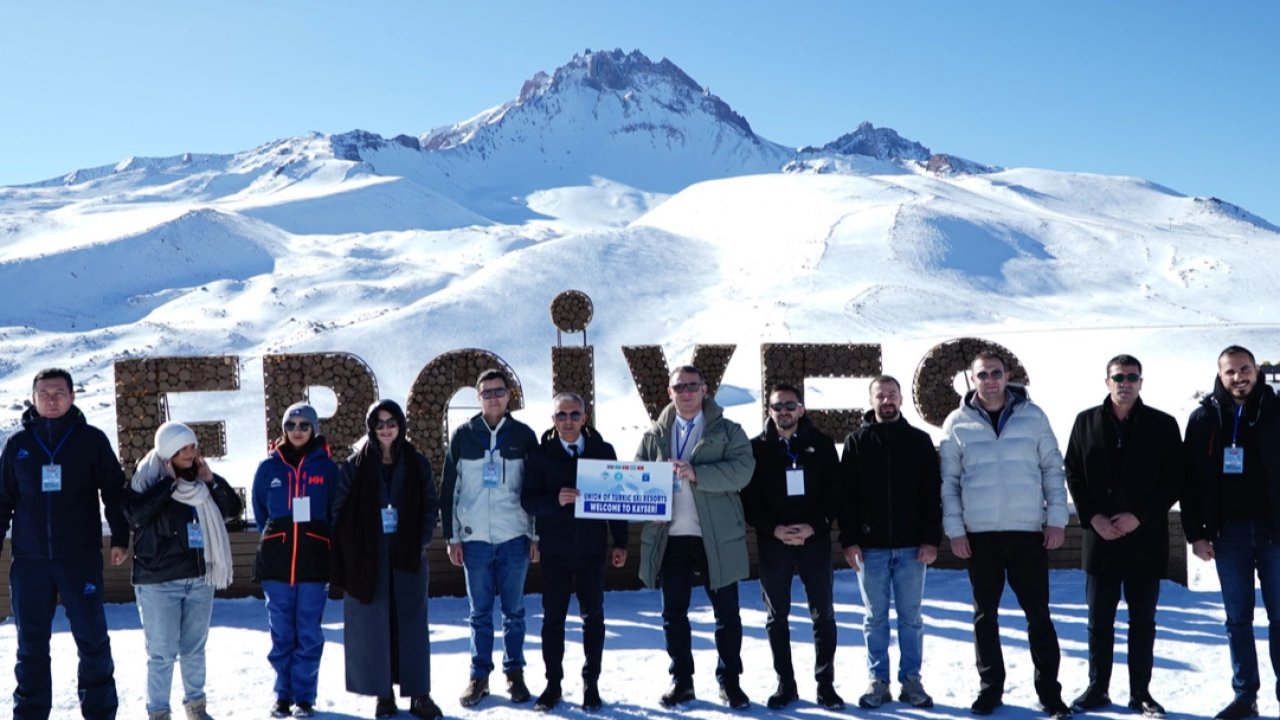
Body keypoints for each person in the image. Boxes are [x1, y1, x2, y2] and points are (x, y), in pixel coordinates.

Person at [940, 351, 1072, 719]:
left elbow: (1052, 471)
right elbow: (949, 483)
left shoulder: (1033, 416)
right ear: (972, 379)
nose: (990, 380)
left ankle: (1050, 693)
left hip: (1027, 533)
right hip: (979, 537)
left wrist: (1057, 520)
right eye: (982, 374)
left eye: (996, 373)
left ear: (1008, 374)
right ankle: (990, 689)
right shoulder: (957, 423)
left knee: (1039, 616)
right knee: (986, 617)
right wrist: (955, 530)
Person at [0, 367, 129, 720]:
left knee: (92, 641)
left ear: (72, 397)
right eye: (44, 393)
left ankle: (100, 713)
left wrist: (120, 536)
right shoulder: (18, 446)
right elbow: (2, 501)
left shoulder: (91, 440)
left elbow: (114, 492)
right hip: (30, 563)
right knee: (30, 647)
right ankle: (29, 714)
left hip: (80, 558)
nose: (52, 399)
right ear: (33, 398)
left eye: (59, 392)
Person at [1064, 355, 1180, 718]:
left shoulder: (1162, 424)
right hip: (1101, 541)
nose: (1125, 383)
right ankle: (1098, 688)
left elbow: (1175, 480)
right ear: (1107, 381)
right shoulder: (1086, 422)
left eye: (1132, 377)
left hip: (1144, 539)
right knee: (1099, 621)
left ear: (1141, 382)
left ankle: (1141, 692)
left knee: (1142, 621)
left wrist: (1140, 517)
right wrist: (1092, 517)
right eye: (1118, 377)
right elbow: (1073, 474)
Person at [636, 365, 756, 710]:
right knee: (673, 614)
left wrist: (697, 473)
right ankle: (682, 681)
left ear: (705, 390)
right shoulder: (654, 434)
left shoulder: (728, 430)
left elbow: (742, 471)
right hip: (671, 537)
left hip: (714, 538)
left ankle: (730, 682)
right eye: (679, 387)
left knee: (727, 615)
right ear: (669, 393)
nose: (686, 392)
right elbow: (639, 474)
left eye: (692, 386)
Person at [1183, 345, 1280, 720]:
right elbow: (1188, 480)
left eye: (1245, 369)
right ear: (1220, 375)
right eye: (1231, 372)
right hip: (1229, 535)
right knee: (1237, 619)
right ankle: (1245, 696)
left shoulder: (1276, 411)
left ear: (1256, 370)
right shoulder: (1205, 418)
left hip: (1275, 533)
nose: (1239, 377)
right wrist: (1196, 533)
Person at [332, 400, 441, 719]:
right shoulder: (356, 464)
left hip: (407, 557)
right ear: (371, 428)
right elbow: (340, 508)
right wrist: (355, 547)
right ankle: (383, 694)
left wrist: (418, 540)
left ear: (401, 424)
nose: (385, 428)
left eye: (391, 421)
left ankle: (420, 694)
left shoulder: (416, 461)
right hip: (369, 559)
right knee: (374, 627)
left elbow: (429, 505)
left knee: (411, 626)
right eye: (379, 423)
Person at [125, 421, 242, 720]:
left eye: (193, 447)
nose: (191, 452)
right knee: (162, 654)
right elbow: (135, 516)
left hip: (199, 579)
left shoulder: (199, 483)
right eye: (183, 447)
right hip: (159, 582)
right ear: (167, 450)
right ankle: (159, 712)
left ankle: (196, 708)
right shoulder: (147, 481)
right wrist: (169, 484)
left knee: (194, 649)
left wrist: (212, 480)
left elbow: (232, 510)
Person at [520, 392, 629, 712]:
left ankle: (590, 685)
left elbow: (617, 499)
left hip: (593, 550)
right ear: (553, 420)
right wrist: (556, 500)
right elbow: (528, 500)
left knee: (593, 618)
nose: (568, 421)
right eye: (561, 415)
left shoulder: (602, 450)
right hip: (555, 551)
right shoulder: (541, 455)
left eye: (574, 414)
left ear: (585, 417)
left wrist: (620, 541)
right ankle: (553, 686)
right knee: (553, 620)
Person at [840, 375, 942, 709]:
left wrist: (930, 539)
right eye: (881, 396)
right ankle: (878, 680)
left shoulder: (919, 441)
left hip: (913, 548)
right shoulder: (857, 442)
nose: (887, 401)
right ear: (871, 401)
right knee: (875, 619)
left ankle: (911, 681)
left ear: (901, 399)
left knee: (911, 618)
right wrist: (850, 540)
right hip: (871, 548)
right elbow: (847, 497)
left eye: (892, 395)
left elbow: (931, 495)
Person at [440, 369, 539, 708]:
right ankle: (479, 675)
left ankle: (515, 674)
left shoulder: (524, 436)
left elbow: (535, 488)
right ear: (478, 397)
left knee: (514, 611)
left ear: (509, 395)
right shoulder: (464, 436)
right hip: (475, 540)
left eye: (498, 391)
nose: (493, 397)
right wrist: (453, 537)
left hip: (514, 536)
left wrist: (534, 534)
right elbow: (449, 489)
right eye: (486, 392)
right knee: (479, 613)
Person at [742, 383, 843, 710]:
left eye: (790, 405)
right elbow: (750, 498)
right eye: (777, 407)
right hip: (774, 544)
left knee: (823, 615)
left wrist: (814, 526)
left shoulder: (823, 444)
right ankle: (785, 684)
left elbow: (834, 493)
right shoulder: (756, 448)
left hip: (814, 542)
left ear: (801, 409)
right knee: (777, 617)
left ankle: (825, 685)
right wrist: (774, 529)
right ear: (769, 411)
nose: (783, 411)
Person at [252, 403, 341, 719]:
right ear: (283, 429)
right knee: (281, 633)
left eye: (305, 425)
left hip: (313, 563)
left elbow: (335, 512)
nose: (298, 430)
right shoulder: (268, 468)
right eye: (291, 425)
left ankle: (303, 697)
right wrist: (279, 538)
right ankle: (282, 695)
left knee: (308, 632)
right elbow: (261, 512)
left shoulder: (328, 469)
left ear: (314, 429)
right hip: (277, 565)